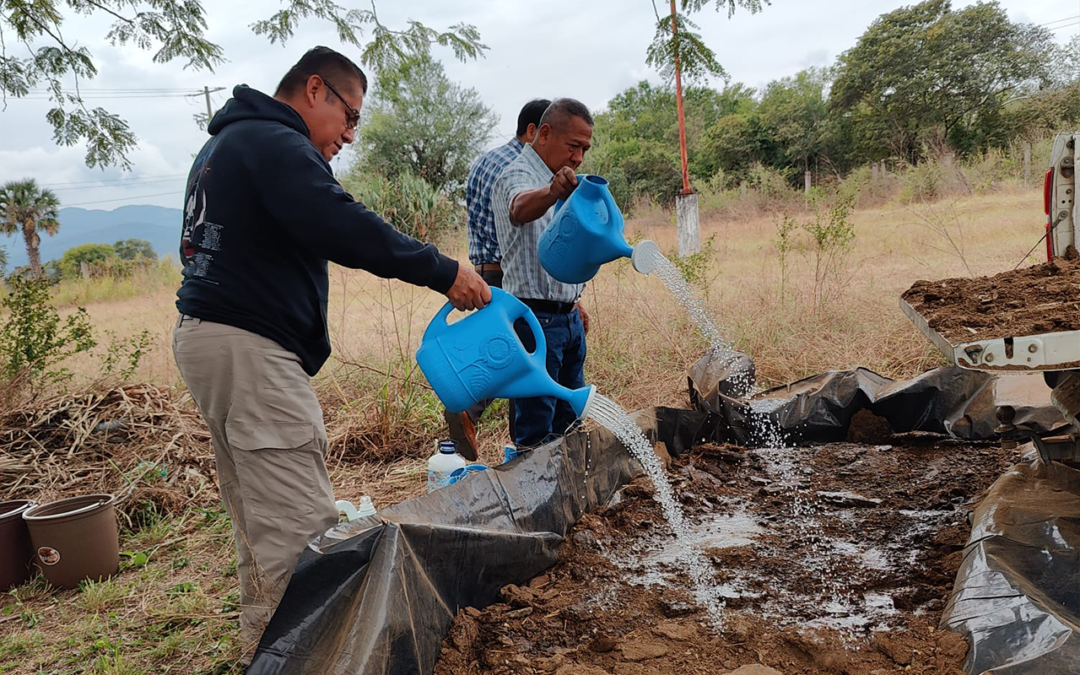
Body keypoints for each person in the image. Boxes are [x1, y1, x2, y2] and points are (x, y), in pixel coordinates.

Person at [171, 46, 489, 660]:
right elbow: (343, 224)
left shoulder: (229, 144)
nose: (350, 134)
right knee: (295, 524)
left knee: (261, 512)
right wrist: (442, 269)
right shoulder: (275, 142)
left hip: (211, 337)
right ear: (315, 89)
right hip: (248, 346)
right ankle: (308, 658)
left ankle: (266, 648)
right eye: (350, 115)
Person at [445, 98, 551, 459]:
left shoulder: (486, 160)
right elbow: (527, 231)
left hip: (485, 270)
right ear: (534, 131)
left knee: (509, 346)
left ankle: (516, 440)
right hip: (512, 271)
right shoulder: (519, 168)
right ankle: (470, 406)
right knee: (520, 353)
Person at [492, 98, 594, 449]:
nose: (578, 158)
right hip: (535, 321)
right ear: (545, 133)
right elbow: (519, 208)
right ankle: (533, 484)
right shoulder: (518, 175)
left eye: (585, 149)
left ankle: (568, 483)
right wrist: (552, 192)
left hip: (567, 320)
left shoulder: (557, 180)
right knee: (536, 431)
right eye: (573, 146)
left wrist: (574, 302)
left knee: (570, 421)